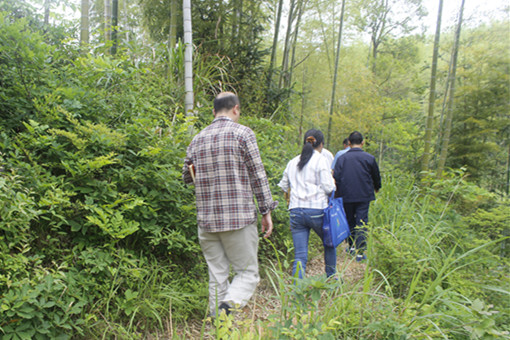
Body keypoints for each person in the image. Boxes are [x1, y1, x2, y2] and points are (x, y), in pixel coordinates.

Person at [182, 92, 278, 317]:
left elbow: (187, 176)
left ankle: (219, 327)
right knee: (248, 274)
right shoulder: (243, 134)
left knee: (217, 276)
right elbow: (258, 174)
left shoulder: (197, 139)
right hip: (238, 219)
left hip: (207, 222)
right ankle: (229, 306)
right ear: (236, 109)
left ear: (214, 112)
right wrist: (266, 211)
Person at [278, 129, 337, 279]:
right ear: (321, 144)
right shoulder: (321, 160)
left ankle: (298, 289)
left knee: (300, 255)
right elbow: (328, 188)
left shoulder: (293, 162)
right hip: (317, 210)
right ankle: (331, 279)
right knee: (329, 244)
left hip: (296, 211)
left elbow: (283, 185)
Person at [333, 131, 381, 262]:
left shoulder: (342, 158)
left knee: (349, 220)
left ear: (348, 142)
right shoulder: (369, 158)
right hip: (364, 195)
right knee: (362, 221)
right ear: (362, 142)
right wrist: (377, 187)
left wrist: (336, 193)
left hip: (346, 194)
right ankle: (360, 252)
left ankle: (351, 246)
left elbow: (335, 177)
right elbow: (376, 176)